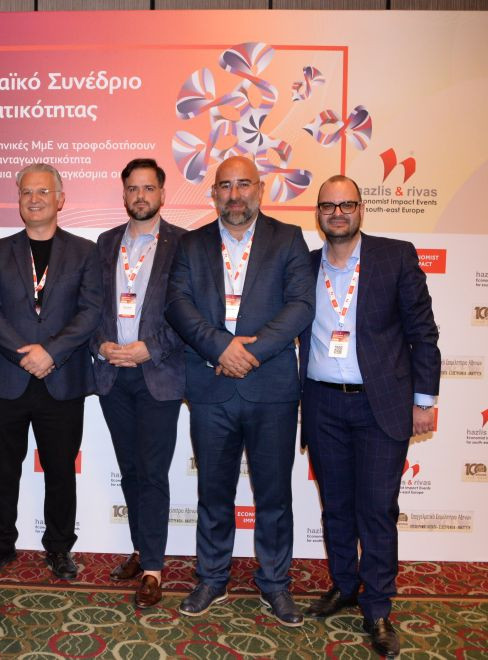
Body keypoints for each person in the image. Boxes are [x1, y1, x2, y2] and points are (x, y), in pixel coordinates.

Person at [165, 155, 314, 626]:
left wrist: (251, 352)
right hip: (211, 386)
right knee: (213, 491)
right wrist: (220, 348)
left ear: (260, 189)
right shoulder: (190, 244)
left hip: (271, 388)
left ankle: (275, 584)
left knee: (274, 495)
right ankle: (212, 578)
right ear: (213, 194)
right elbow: (177, 305)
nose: (234, 195)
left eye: (243, 184)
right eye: (225, 186)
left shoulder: (288, 239)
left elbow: (301, 305)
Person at [300, 175, 440, 657]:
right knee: (336, 506)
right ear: (318, 213)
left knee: (377, 509)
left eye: (346, 205)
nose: (337, 213)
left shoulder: (394, 257)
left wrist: (424, 401)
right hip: (322, 403)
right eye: (328, 206)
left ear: (361, 209)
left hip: (380, 404)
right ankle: (344, 585)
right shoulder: (306, 266)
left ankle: (377, 607)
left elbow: (423, 332)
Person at [0, 163, 102, 580]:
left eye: (43, 192)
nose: (34, 199)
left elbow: (90, 312)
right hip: (7, 378)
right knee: (3, 469)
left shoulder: (85, 251)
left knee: (61, 471)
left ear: (60, 199)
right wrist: (22, 354)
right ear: (18, 200)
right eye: (27, 192)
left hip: (61, 378)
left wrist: (51, 352)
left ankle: (60, 548)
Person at [92, 159, 186, 606]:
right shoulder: (106, 242)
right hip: (113, 375)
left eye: (149, 188)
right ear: (124, 194)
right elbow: (91, 306)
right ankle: (138, 548)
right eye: (133, 188)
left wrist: (150, 348)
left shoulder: (183, 244)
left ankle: (153, 568)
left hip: (157, 376)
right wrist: (101, 345)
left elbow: (189, 313)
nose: (141, 196)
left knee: (152, 472)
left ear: (162, 194)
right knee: (130, 469)